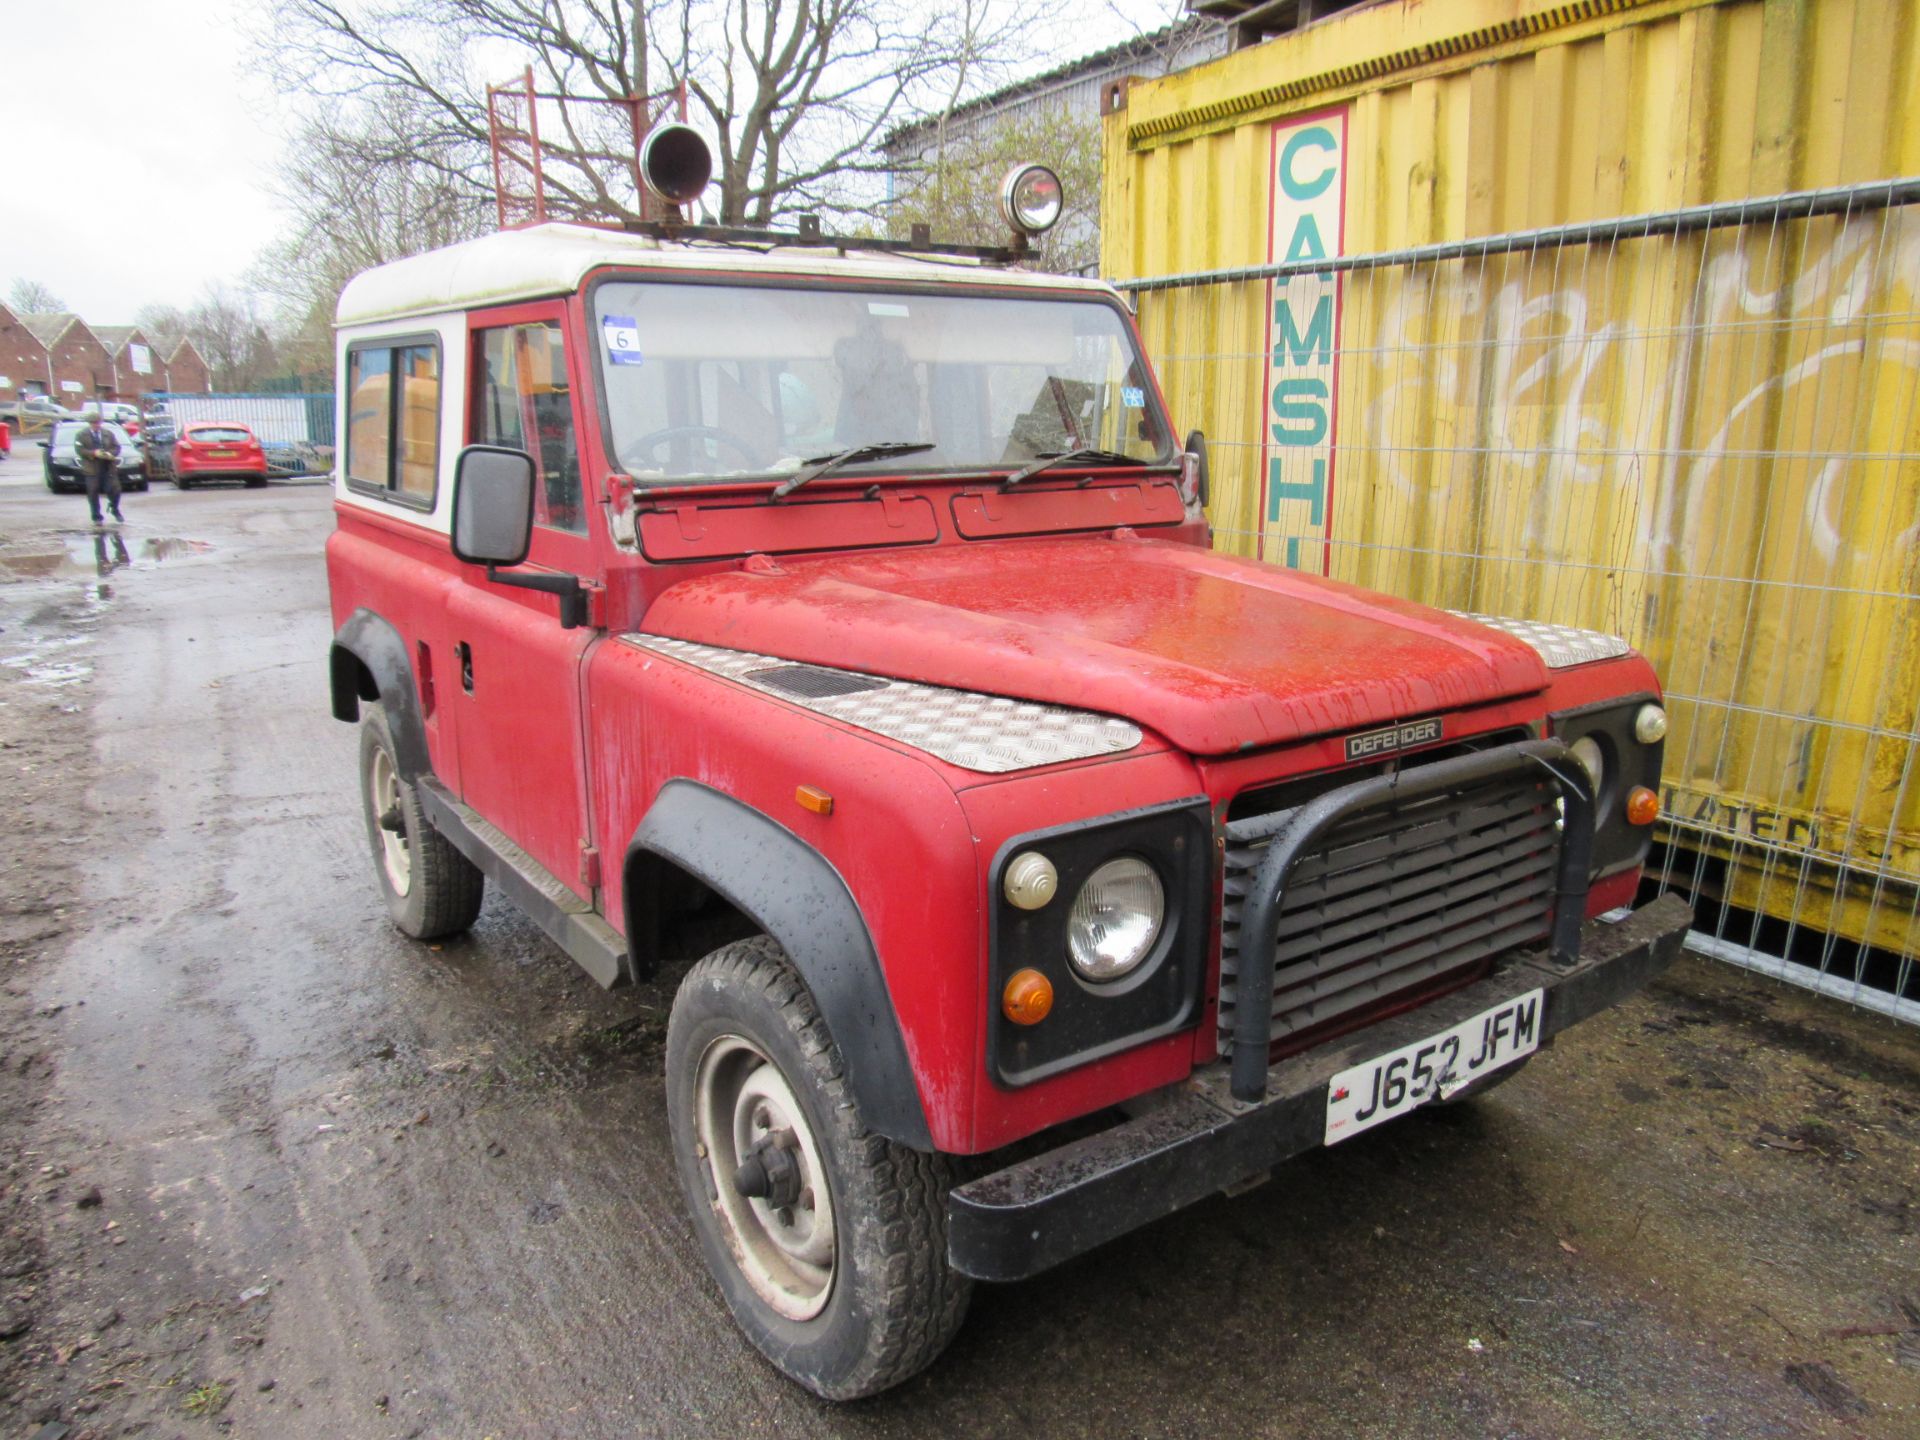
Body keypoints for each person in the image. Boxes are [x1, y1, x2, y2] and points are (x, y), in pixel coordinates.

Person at [74, 412, 123, 524]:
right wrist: (94, 453)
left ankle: (114, 508)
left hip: (108, 467)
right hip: (92, 469)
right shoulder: (81, 435)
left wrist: (111, 454)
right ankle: (96, 516)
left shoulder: (108, 434)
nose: (96, 425)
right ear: (89, 423)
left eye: (98, 422)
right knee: (93, 492)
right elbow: (79, 450)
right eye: (93, 423)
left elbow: (117, 447)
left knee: (116, 490)